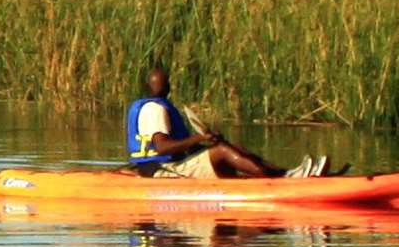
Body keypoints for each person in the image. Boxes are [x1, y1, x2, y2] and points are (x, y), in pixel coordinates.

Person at [126, 64, 311, 179]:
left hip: (167, 165)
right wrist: (199, 139)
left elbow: (176, 148)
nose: (163, 86)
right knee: (222, 152)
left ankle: (284, 173)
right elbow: (162, 148)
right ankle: (282, 179)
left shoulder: (158, 107)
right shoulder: (154, 109)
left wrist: (205, 141)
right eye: (161, 83)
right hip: (160, 170)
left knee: (229, 147)